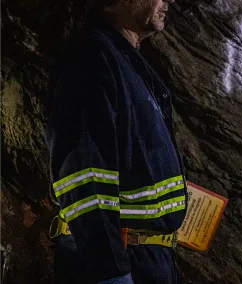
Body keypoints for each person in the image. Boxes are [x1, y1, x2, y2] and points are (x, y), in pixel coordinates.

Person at [45, 0, 185, 283]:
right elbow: (85, 177)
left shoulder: (124, 61)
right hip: (119, 259)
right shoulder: (90, 60)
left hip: (141, 257)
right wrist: (111, 274)